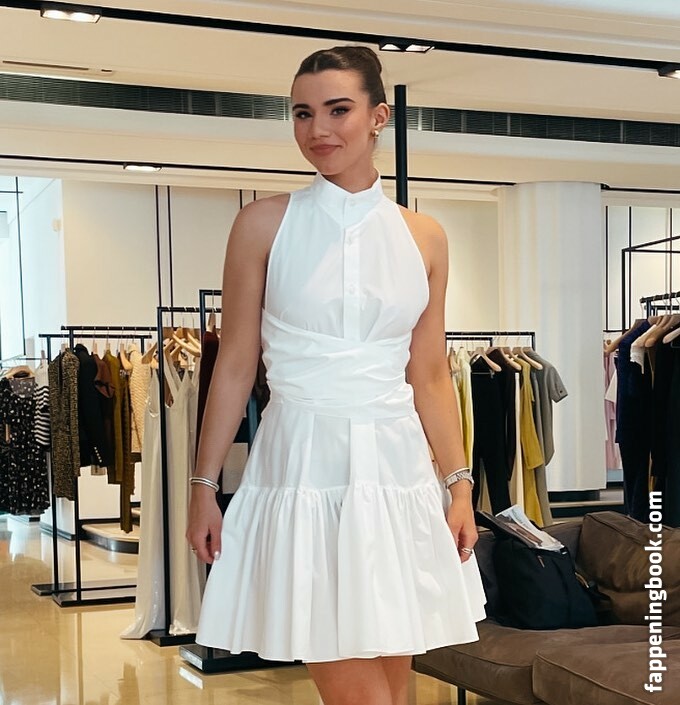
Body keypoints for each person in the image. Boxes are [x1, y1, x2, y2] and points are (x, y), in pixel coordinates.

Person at [186, 45, 487, 705]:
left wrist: (459, 485)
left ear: (378, 117)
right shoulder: (261, 224)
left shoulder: (425, 236)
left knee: (395, 689)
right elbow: (234, 364)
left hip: (397, 472)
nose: (317, 129)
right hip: (303, 466)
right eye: (302, 113)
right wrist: (203, 485)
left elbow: (430, 374)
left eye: (337, 110)